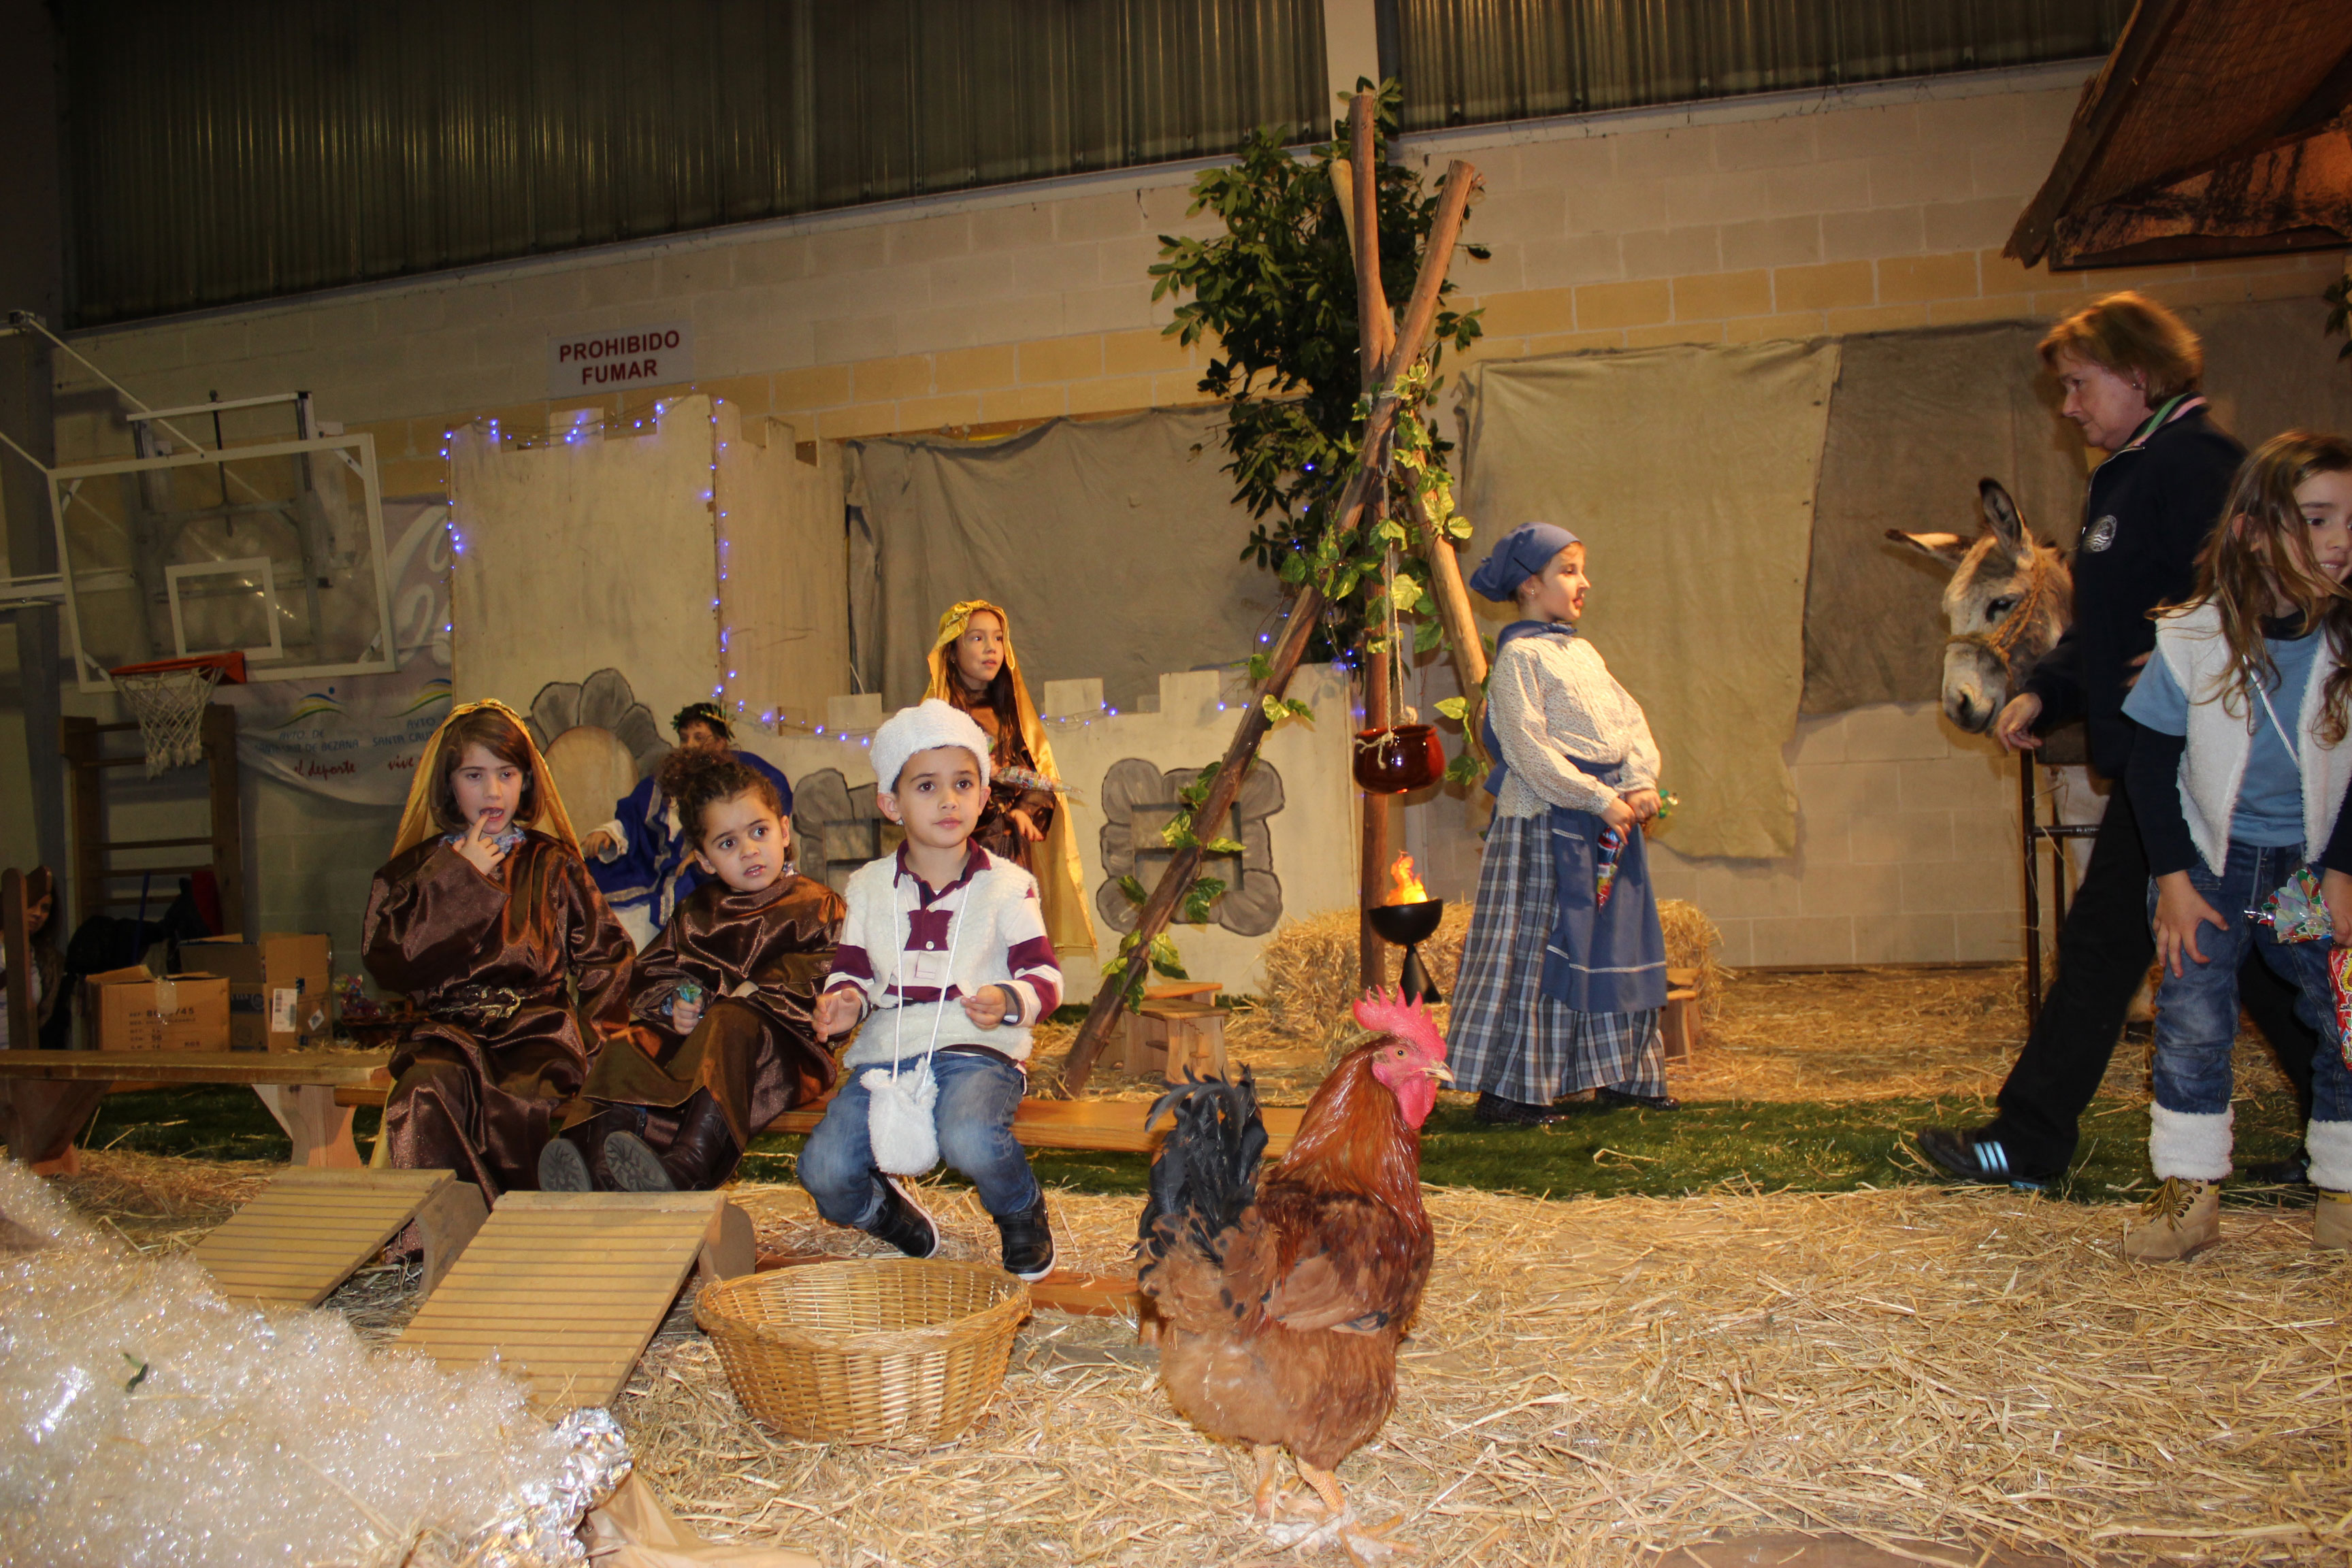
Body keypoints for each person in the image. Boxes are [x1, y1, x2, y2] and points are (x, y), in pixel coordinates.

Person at [1918, 293, 2321, 1189]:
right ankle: (2335, 1129)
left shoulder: (2198, 465)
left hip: (2190, 758)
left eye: (2079, 385)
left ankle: (2027, 1140)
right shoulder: (2130, 473)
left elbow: (2252, 594)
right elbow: (2113, 622)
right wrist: (2048, 689)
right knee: (2247, 955)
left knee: (2107, 947)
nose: (2067, 407)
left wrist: (2194, 667)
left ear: (2139, 375)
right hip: (2157, 752)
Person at [2119, 432, 2352, 1258]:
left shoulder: (2345, 642)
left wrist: (2341, 870)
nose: (2340, 540)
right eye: (2317, 518)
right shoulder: (2192, 639)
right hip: (2211, 873)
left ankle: (2343, 1194)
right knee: (2193, 1022)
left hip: (2305, 878)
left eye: (2351, 521)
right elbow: (2149, 768)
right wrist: (2175, 883)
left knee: (2342, 1016)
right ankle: (2190, 1198)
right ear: (2252, 530)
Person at [800, 700, 1065, 1281]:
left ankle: (1020, 1209)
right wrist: (845, 1002)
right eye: (927, 786)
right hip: (889, 1053)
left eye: (963, 784)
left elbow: (1046, 979)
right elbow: (853, 973)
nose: (949, 800)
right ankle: (882, 1211)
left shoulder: (1009, 885)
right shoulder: (869, 887)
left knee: (969, 1136)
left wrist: (1008, 999)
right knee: (823, 1171)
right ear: (891, 804)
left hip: (978, 1048)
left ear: (984, 795)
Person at [1447, 523, 1673, 1126]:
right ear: (1529, 584)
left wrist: (1639, 781)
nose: (1583, 582)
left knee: (1613, 944)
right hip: (1546, 823)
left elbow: (1628, 719)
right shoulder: (1519, 659)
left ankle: (1624, 1075)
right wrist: (1595, 797)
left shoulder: (1582, 653)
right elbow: (1527, 748)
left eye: (1582, 569)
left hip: (1604, 820)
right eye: (1568, 571)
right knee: (1539, 952)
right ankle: (1514, 1092)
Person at [363, 700, 634, 1200]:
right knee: (424, 1091)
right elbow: (392, 962)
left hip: (536, 1034)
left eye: (506, 774)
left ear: (526, 781)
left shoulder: (551, 864)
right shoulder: (416, 871)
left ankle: (521, 1224)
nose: (493, 792)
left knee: (518, 1097)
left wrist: (598, 1044)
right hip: (448, 1036)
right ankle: (445, 1225)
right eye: (474, 775)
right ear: (448, 784)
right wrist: (458, 879)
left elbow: (609, 957)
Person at [542, 750, 844, 1193]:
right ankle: (598, 1159)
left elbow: (832, 967)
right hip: (701, 1042)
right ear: (703, 860)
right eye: (727, 844)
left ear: (784, 831)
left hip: (780, 1053)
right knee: (629, 1042)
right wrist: (676, 1002)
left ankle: (690, 1164)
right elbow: (656, 971)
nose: (749, 850)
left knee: (729, 1019)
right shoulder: (698, 911)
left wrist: (757, 989)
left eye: (759, 832)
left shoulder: (817, 903)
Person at [925, 600, 1096, 964]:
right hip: (960, 849)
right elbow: (923, 789)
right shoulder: (935, 717)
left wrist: (1023, 810)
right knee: (963, 947)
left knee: (1014, 946)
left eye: (998, 638)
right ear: (952, 651)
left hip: (1010, 848)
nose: (991, 648)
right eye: (977, 638)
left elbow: (1036, 774)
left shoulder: (1011, 713)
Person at [584, 702, 794, 949]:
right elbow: (634, 817)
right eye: (684, 738)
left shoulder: (741, 782)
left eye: (699, 737)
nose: (690, 745)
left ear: (720, 742)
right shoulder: (663, 782)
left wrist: (710, 855)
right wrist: (609, 832)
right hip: (662, 869)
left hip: (701, 876)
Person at [0, 867, 67, 1050]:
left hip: (20, 1055)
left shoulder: (41, 956)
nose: (38, 914)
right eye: (31, 904)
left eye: (45, 908)